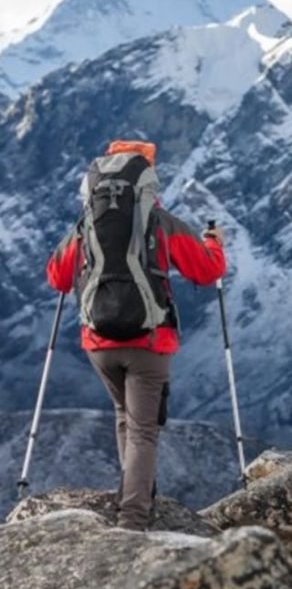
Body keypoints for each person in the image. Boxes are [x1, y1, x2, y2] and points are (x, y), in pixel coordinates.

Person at [46, 140, 226, 530]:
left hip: (98, 343)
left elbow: (57, 277)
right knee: (144, 429)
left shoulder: (85, 226)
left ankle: (135, 494)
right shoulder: (161, 223)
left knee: (124, 417)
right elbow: (207, 271)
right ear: (147, 180)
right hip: (149, 341)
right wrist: (214, 244)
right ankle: (133, 519)